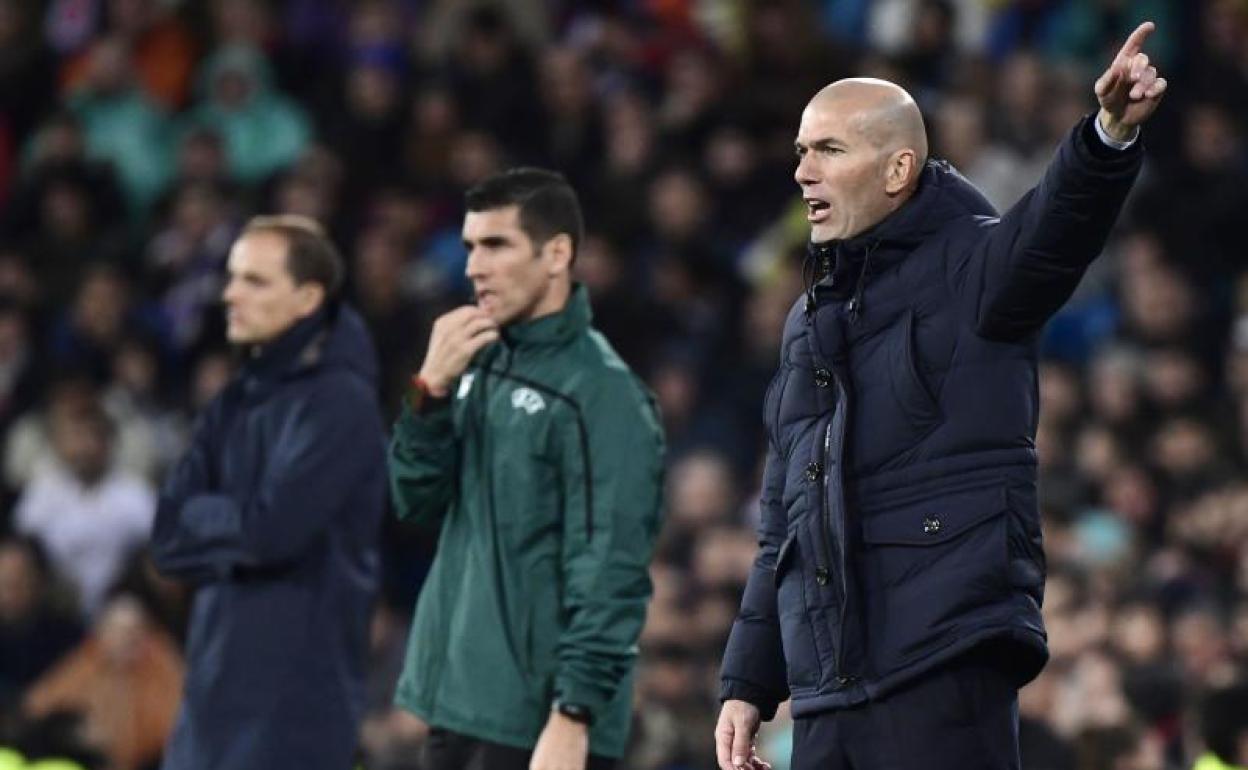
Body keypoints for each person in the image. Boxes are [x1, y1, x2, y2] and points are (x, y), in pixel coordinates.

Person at [715, 22, 1168, 770]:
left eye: (829, 149)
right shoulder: (807, 321)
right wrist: (747, 680)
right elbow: (785, 521)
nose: (802, 172)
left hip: (942, 659)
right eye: (801, 151)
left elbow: (1054, 230)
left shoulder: (973, 264)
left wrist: (1107, 135)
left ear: (897, 169)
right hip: (829, 689)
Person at [388, 168, 665, 770]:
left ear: (557, 253)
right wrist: (427, 394)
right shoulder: (476, 361)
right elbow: (417, 504)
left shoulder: (603, 396)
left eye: (496, 245)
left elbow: (611, 569)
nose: (473, 267)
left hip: (538, 721)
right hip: (460, 703)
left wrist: (573, 717)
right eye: (469, 246)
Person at [149, 214, 387, 770]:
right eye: (233, 277)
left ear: (307, 299)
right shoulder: (233, 398)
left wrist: (207, 518)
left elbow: (270, 533)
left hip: (294, 702)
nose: (230, 294)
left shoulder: (340, 404)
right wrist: (237, 518)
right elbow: (165, 538)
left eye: (254, 281)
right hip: (211, 691)